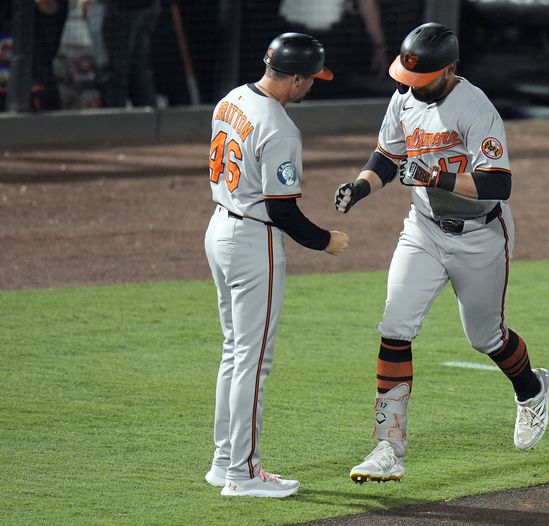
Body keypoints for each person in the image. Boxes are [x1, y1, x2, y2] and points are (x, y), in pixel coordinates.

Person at [333, 22, 549, 483]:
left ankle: (531, 391)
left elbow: (499, 183)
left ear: (449, 69)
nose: (408, 86)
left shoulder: (476, 108)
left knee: (486, 337)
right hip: (424, 230)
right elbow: (387, 158)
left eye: (421, 78)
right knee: (395, 326)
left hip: (480, 234)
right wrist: (360, 187)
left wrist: (437, 178)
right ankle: (387, 447)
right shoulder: (404, 98)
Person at [203, 32, 349, 497]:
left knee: (235, 353)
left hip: (219, 228)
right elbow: (283, 209)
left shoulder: (231, 100)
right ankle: (242, 475)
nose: (312, 87)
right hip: (252, 240)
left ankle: (224, 461)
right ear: (297, 78)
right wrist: (325, 240)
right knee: (253, 361)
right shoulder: (280, 127)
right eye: (311, 79)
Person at [79, 0, 160, 107]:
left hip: (117, 8)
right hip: (145, 6)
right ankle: (147, 119)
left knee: (113, 73)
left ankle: (115, 120)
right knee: (138, 69)